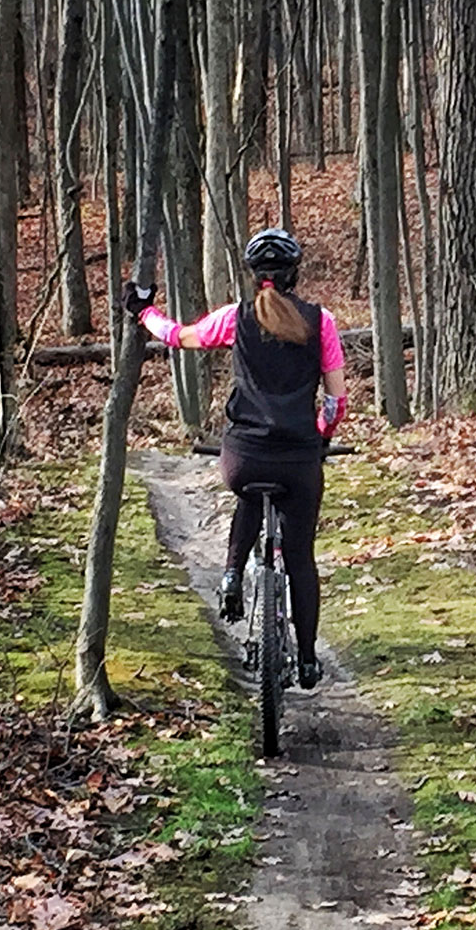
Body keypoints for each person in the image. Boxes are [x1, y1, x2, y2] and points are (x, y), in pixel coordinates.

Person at [122, 228, 347, 689]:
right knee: (300, 558)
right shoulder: (320, 322)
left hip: (242, 456)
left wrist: (143, 311)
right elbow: (335, 402)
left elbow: (178, 336)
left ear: (252, 276)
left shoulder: (234, 318)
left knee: (249, 491)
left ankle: (230, 575)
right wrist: (320, 436)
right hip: (300, 459)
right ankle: (306, 659)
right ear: (295, 274)